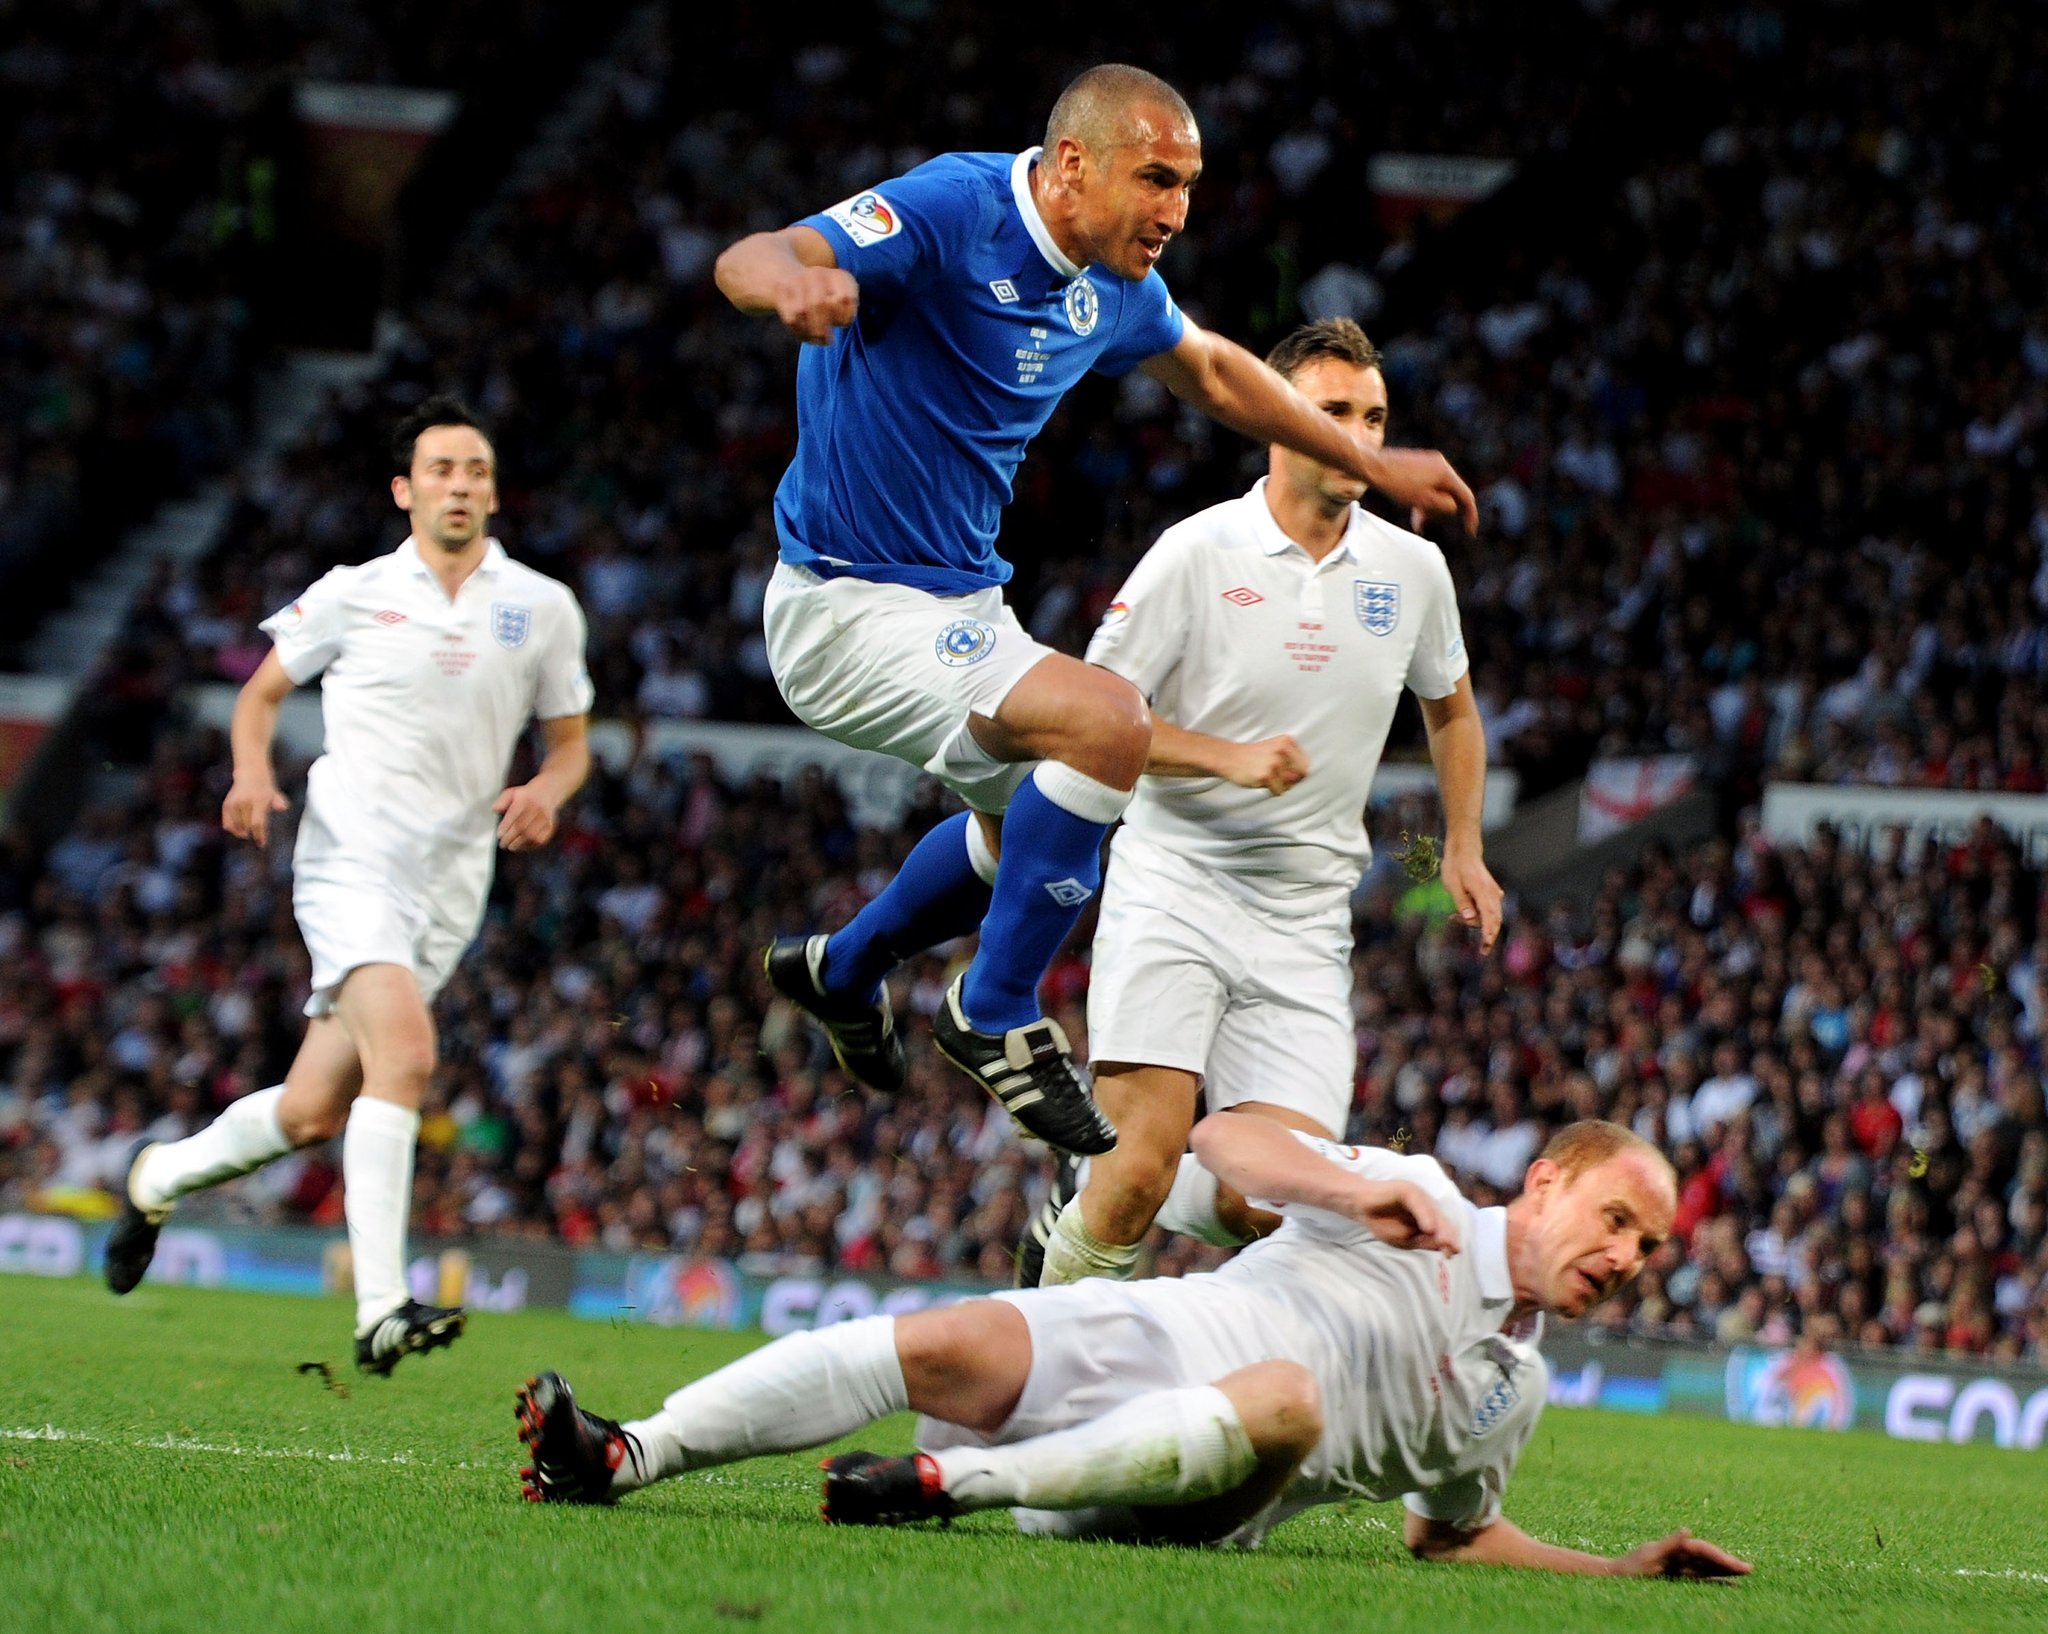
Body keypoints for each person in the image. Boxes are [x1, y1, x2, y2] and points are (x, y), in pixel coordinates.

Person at [718, 63, 1478, 1157]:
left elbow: (1213, 372)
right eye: (1155, 177)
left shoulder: (1109, 285)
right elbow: (755, 255)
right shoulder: (953, 209)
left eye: (1189, 184)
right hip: (844, 602)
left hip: (958, 600)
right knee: (1110, 723)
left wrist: (1365, 457)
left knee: (1027, 818)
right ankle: (992, 1011)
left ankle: (842, 967)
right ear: (1071, 164)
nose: (1175, 210)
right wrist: (787, 288)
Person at [515, 1118, 1749, 1579]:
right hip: (1147, 1330)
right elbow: (1228, 1140)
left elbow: (1453, 1532)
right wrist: (1333, 1181)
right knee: (937, 1339)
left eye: (1649, 1244)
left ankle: (957, 1484)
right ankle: (622, 1453)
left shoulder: (1511, 1388)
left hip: (1195, 1487)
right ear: (1544, 1181)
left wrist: (1622, 1571)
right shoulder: (1407, 1187)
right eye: (1617, 1218)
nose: (1629, 1253)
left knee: (1282, 1400)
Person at [103, 396, 594, 1375]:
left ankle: (158, 1174)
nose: (459, 483)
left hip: (454, 876)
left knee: (310, 1109)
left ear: (491, 491)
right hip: (350, 852)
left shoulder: (542, 605)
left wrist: (544, 789)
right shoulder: (354, 589)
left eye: (474, 469)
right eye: (440, 468)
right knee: (404, 1055)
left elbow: (570, 745)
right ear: (405, 490)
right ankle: (380, 1307)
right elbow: (260, 694)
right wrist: (250, 771)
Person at [1020, 316, 1503, 1286]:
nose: (1360, 435)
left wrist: (1462, 843)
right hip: (1177, 889)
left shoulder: (1411, 570)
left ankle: (1100, 1176)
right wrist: (1221, 758)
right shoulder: (1197, 552)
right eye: (1335, 412)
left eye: (1374, 415)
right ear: (1278, 422)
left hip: (1302, 919)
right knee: (1135, 1178)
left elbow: (1449, 708)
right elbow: (1083, 716)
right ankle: (1029, 1385)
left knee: (1270, 1202)